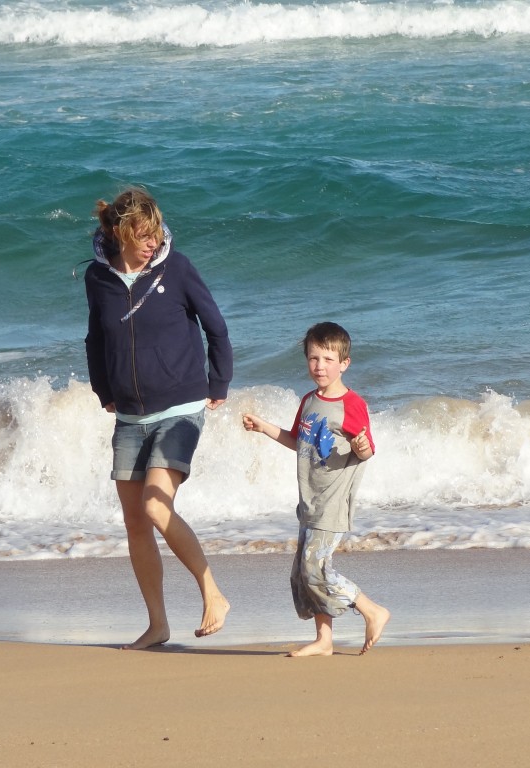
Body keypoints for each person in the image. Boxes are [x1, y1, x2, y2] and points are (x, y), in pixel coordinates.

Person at [84, 186, 232, 649]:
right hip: (129, 414)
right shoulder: (98, 277)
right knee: (134, 522)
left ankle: (212, 591)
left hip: (182, 406)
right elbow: (95, 337)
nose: (153, 241)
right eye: (143, 234)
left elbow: (215, 326)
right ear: (122, 233)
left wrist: (219, 382)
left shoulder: (177, 267)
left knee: (154, 504)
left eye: (155, 232)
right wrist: (103, 390)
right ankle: (157, 624)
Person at [243, 322, 390, 656]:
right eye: (313, 358)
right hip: (310, 500)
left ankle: (372, 609)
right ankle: (324, 640)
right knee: (302, 573)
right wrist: (264, 427)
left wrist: (363, 445)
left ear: (344, 363)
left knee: (315, 570)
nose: (319, 366)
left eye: (327, 358)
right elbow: (298, 441)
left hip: (332, 502)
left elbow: (365, 451)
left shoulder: (352, 405)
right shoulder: (309, 400)